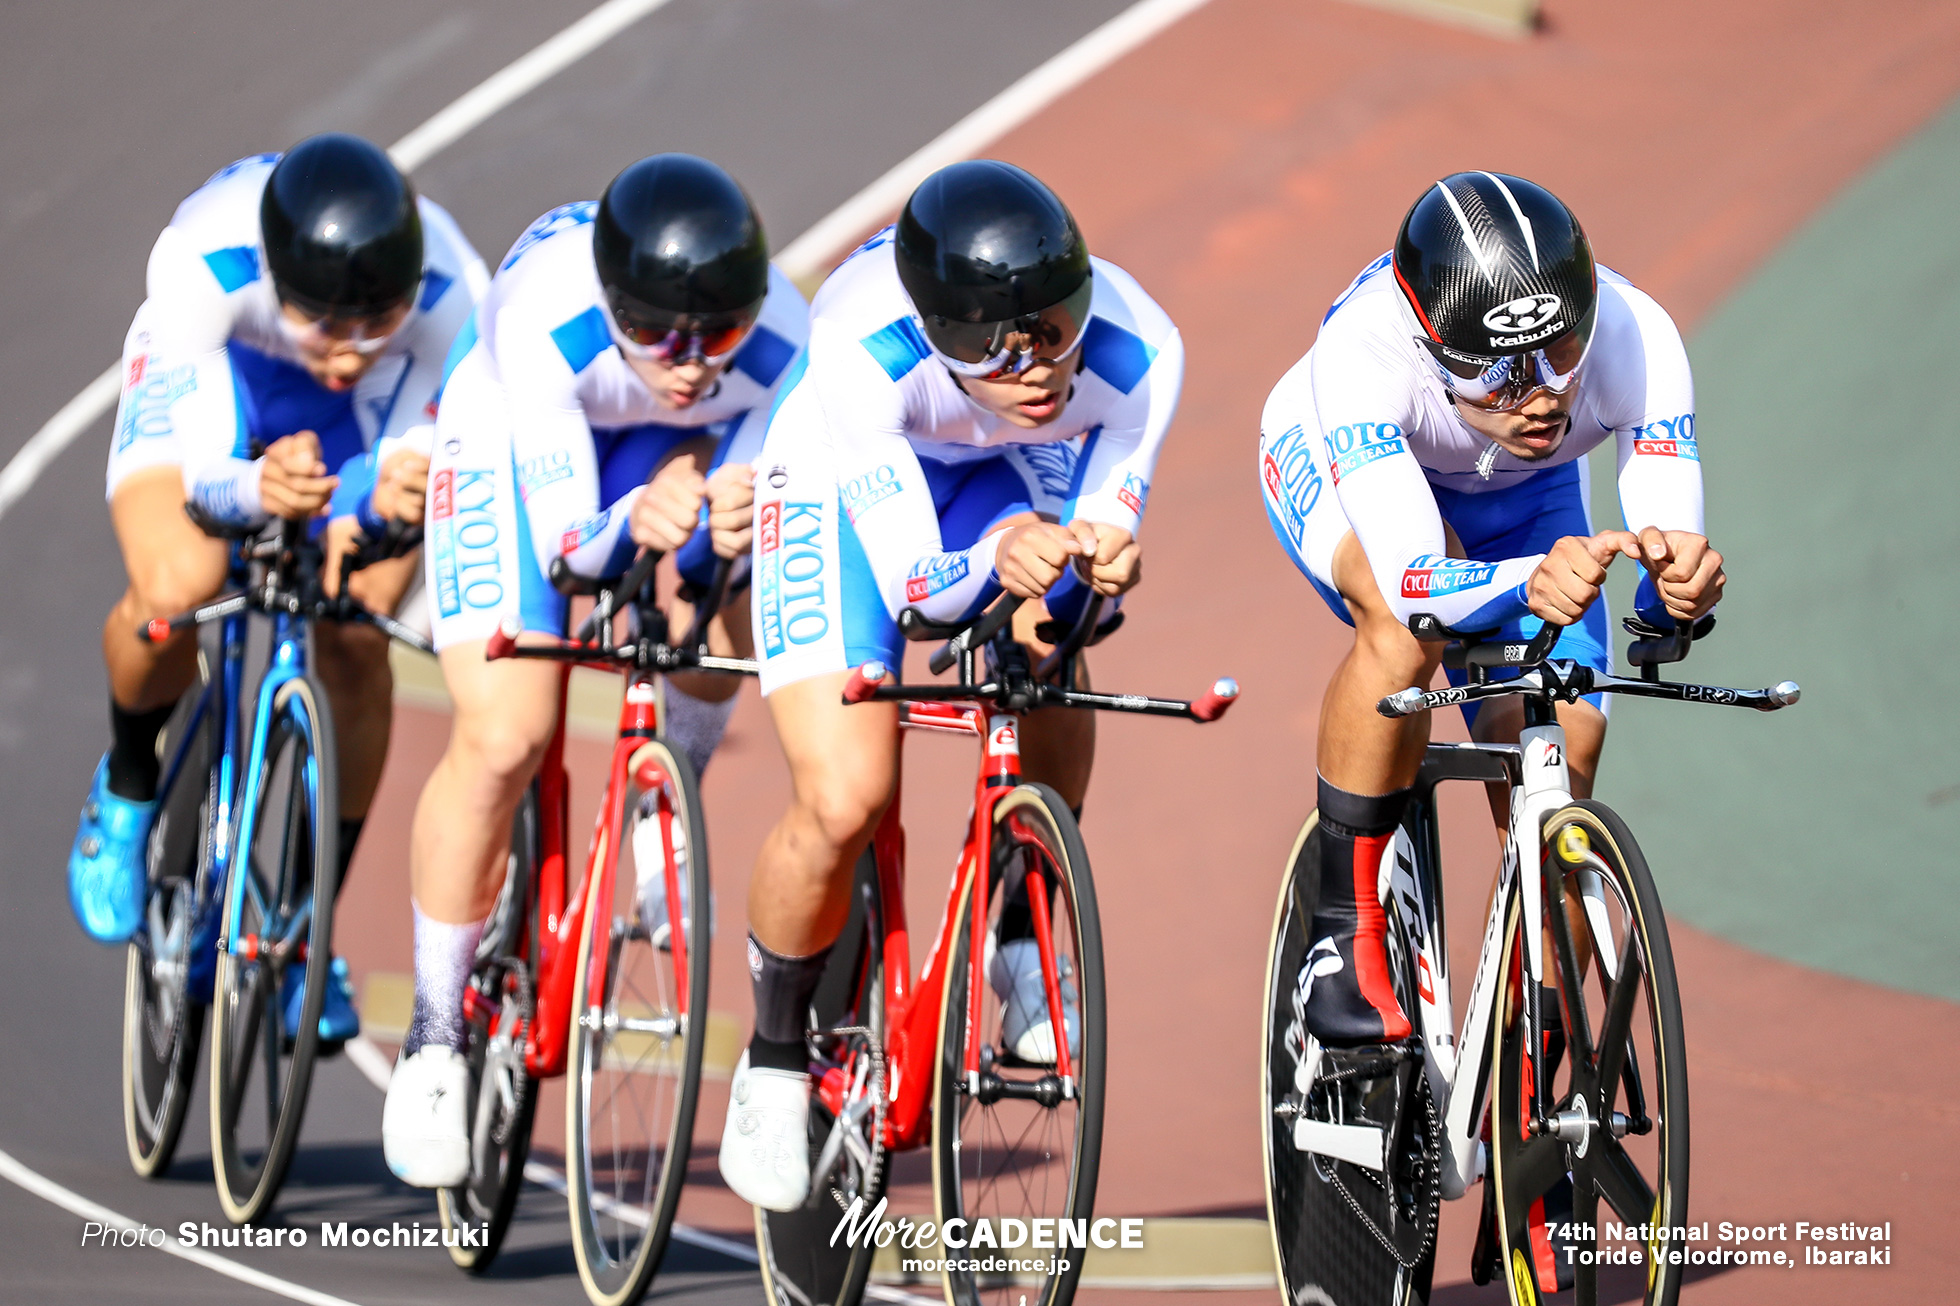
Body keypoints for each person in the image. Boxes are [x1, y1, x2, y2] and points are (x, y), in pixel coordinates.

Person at [717, 159, 1184, 1211]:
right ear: (934, 330)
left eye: (1054, 327)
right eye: (988, 342)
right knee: (843, 795)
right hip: (850, 488)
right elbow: (918, 591)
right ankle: (775, 1057)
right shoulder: (858, 352)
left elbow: (1096, 539)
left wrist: (1088, 565)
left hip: (1009, 474)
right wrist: (1000, 553)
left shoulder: (1140, 351)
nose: (1031, 363)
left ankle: (1022, 929)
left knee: (1057, 625)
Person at [381, 153, 809, 1188]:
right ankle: (435, 1038)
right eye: (660, 334)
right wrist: (637, 515)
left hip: (680, 454)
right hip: (520, 445)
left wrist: (708, 532)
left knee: (722, 603)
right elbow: (570, 547)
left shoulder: (790, 344)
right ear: (615, 304)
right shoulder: (541, 320)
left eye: (719, 336)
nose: (691, 360)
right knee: (504, 734)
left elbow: (737, 527)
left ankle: (669, 803)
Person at [1257, 171, 1724, 1050]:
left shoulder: (1637, 334)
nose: (1541, 393)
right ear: (1433, 351)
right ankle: (1342, 929)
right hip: (1363, 482)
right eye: (1496, 371)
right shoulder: (1362, 350)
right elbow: (1414, 582)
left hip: (1527, 497)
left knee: (1567, 739)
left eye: (1560, 354)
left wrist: (1679, 586)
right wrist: (1522, 583)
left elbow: (1667, 533)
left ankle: (1532, 1069)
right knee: (1403, 641)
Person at [71, 134, 486, 1045]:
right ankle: (130, 782)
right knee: (177, 587)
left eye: (375, 323)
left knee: (355, 629)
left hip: (362, 428)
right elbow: (202, 478)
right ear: (279, 283)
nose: (347, 349)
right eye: (326, 324)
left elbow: (415, 471)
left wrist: (377, 503)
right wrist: (258, 489)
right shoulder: (202, 267)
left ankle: (309, 926)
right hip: (224, 390)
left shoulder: (458, 298)